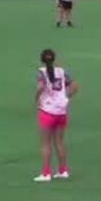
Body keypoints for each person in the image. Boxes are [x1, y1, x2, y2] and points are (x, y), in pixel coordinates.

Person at [34, 49, 77, 182]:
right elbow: (75, 86)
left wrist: (36, 99)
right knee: (59, 141)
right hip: (61, 111)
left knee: (45, 143)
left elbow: (41, 87)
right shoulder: (62, 71)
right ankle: (63, 170)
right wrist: (65, 97)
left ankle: (46, 173)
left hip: (47, 111)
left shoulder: (41, 72)